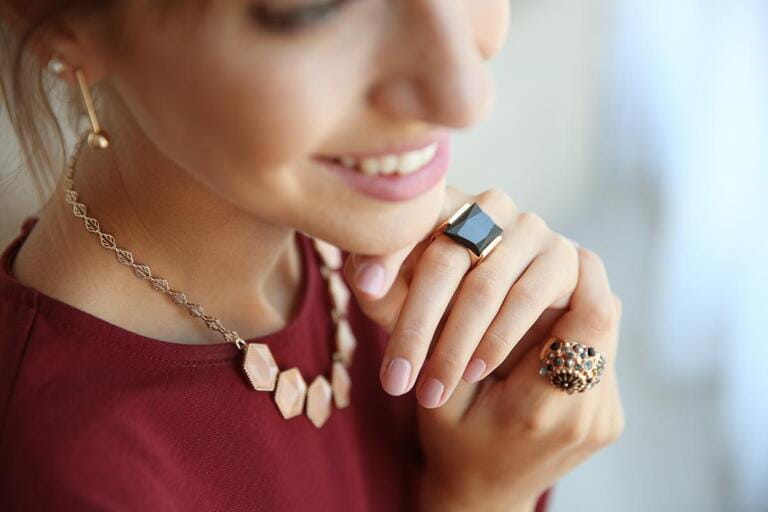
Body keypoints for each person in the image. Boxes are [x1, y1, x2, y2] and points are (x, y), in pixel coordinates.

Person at [0, 1, 625, 510]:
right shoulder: (73, 476)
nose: (466, 95)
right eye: (314, 9)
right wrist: (483, 497)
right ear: (61, 24)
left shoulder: (380, 245)